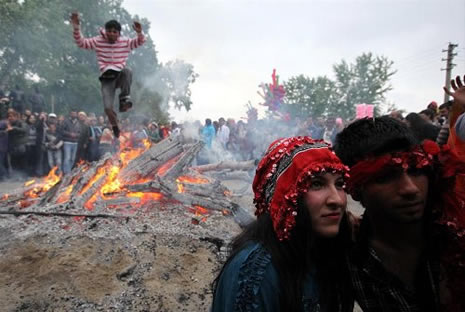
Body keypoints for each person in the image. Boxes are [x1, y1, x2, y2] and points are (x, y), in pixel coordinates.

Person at [334, 115, 465, 311]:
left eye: (416, 170)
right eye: (386, 177)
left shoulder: (455, 236)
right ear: (355, 189)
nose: (410, 188)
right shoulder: (348, 259)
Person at [212, 136, 353, 312]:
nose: (337, 200)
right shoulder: (257, 273)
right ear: (284, 200)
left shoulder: (324, 252)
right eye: (317, 184)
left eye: (339, 184)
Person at [70, 12, 146, 138]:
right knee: (107, 108)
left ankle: (124, 99)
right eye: (109, 31)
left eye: (114, 32)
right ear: (106, 31)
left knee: (127, 71)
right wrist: (77, 28)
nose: (111, 34)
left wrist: (139, 32)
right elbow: (82, 43)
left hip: (120, 75)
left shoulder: (125, 42)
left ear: (118, 33)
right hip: (107, 78)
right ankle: (115, 125)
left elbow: (139, 42)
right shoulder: (98, 41)